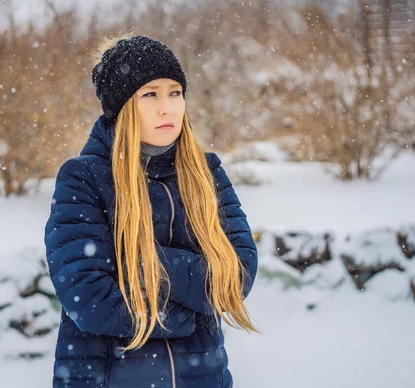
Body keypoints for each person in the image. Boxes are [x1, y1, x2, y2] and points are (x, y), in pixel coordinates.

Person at [44, 33, 259, 388]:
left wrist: (143, 263)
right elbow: (91, 299)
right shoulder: (83, 179)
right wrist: (193, 309)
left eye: (175, 92)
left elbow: (237, 276)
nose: (167, 107)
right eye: (150, 95)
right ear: (123, 107)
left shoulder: (207, 172)